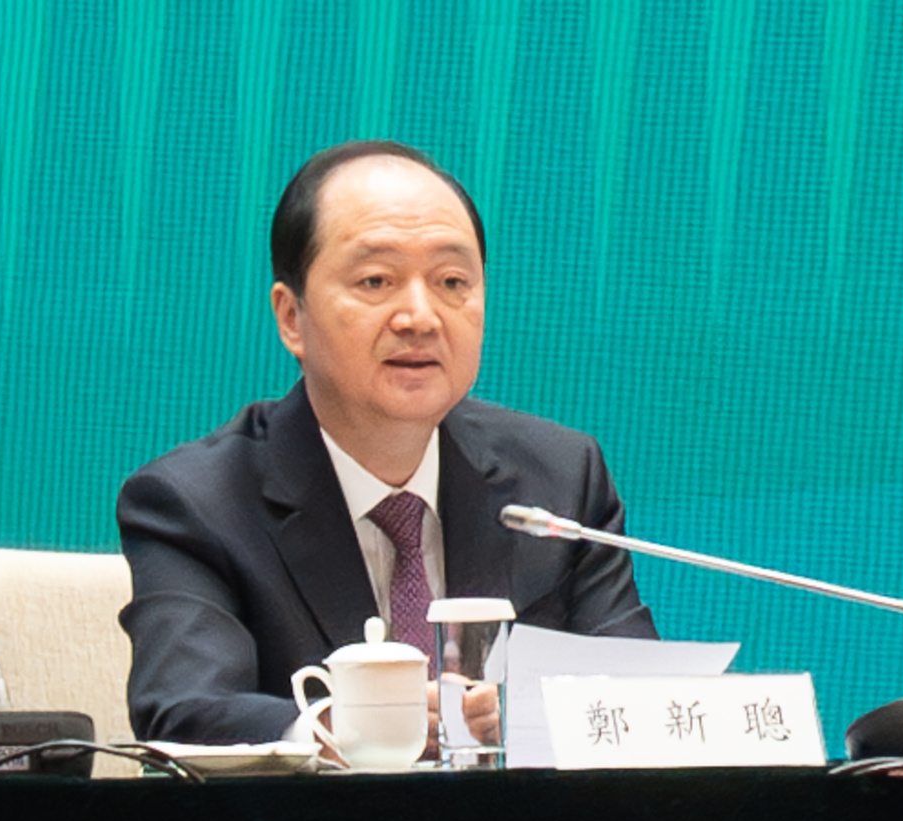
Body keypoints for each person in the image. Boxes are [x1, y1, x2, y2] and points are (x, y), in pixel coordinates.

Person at [118, 140, 658, 747]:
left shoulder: (558, 482)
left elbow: (635, 699)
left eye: (452, 281)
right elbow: (185, 711)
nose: (420, 317)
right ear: (291, 317)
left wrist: (529, 714)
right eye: (376, 280)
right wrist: (342, 727)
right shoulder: (196, 503)